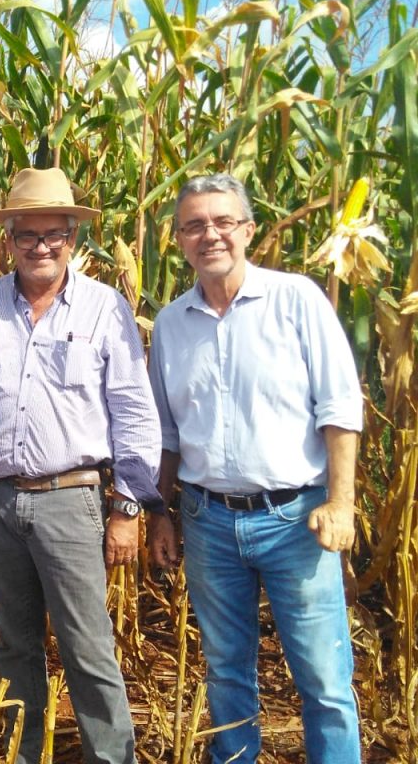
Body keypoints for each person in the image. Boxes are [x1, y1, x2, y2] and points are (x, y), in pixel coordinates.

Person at [0, 167, 162, 764]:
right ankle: (23, 753)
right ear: (8, 239)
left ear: (72, 239)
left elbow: (133, 409)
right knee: (16, 644)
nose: (40, 247)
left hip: (72, 500)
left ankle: (112, 756)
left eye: (53, 234)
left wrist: (129, 506)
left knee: (87, 645)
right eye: (27, 235)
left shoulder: (105, 309)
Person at [147, 173, 362, 763]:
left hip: (296, 519)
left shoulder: (296, 300)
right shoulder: (169, 325)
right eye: (193, 225)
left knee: (323, 680)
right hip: (208, 521)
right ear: (178, 239)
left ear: (248, 229)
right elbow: (165, 434)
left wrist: (340, 503)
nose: (209, 235)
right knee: (226, 675)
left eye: (222, 222)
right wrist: (160, 515)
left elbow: (340, 409)